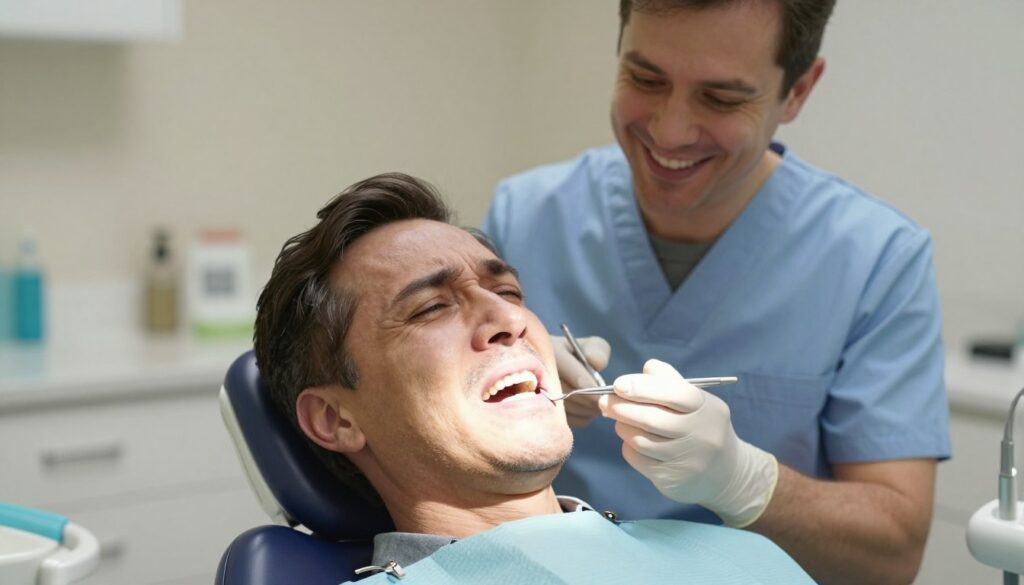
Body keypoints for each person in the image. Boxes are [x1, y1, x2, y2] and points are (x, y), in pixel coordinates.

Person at [482, 1, 951, 584]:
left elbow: (893, 554)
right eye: (645, 78)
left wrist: (746, 481)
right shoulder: (526, 217)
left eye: (723, 98)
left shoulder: (876, 258)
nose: (669, 130)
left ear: (798, 90)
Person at [252, 172, 815, 584]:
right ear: (336, 417)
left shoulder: (739, 557)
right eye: (430, 308)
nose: (510, 320)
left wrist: (743, 481)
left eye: (508, 292)